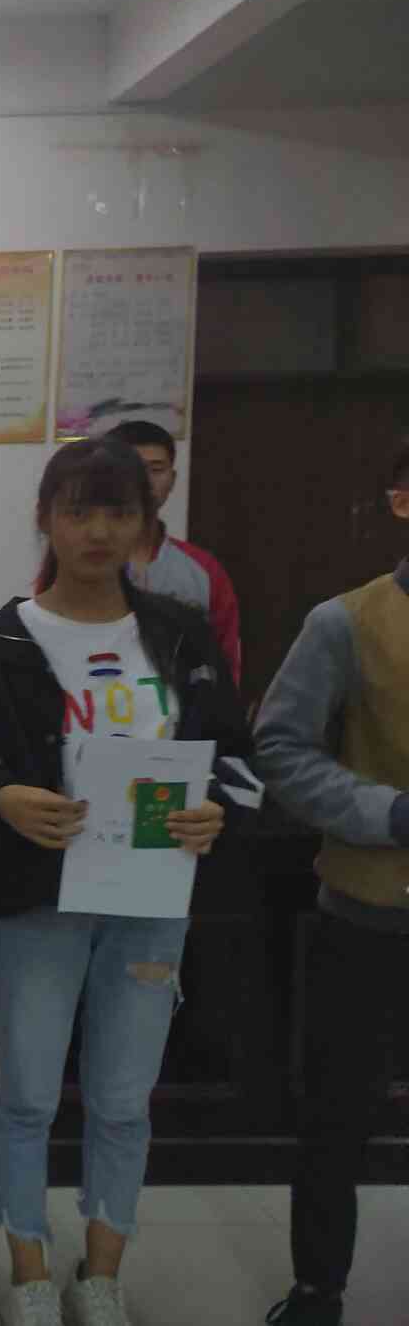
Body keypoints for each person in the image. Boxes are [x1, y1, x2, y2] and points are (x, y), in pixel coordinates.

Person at [0, 439, 262, 1326]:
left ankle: (101, 1274)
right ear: (46, 519)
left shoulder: (180, 633)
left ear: (145, 523)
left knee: (124, 1100)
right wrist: (4, 796)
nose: (97, 531)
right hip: (34, 901)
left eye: (118, 512)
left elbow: (238, 764)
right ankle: (28, 1272)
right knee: (26, 1094)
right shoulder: (0, 638)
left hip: (147, 899)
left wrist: (217, 812)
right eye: (78, 511)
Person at [254, 441, 409, 1326]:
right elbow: (281, 748)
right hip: (368, 912)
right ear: (400, 501)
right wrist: (387, 814)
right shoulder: (345, 622)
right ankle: (318, 1291)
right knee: (334, 1125)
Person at [99, 419, 242, 685]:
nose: (145, 480)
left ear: (172, 479)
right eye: (133, 468)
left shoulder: (203, 570)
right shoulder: (81, 561)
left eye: (156, 469)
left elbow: (226, 661)